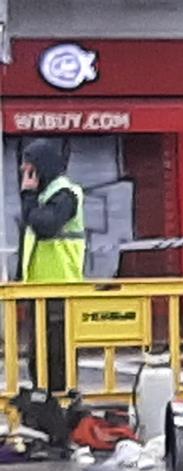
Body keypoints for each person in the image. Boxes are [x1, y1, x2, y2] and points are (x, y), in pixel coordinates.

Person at [19, 139, 86, 392]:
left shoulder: (66, 194)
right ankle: (44, 404)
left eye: (30, 169)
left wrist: (28, 195)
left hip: (62, 288)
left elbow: (45, 226)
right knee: (38, 356)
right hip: (39, 290)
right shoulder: (45, 196)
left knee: (58, 354)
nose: (26, 175)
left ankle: (62, 404)